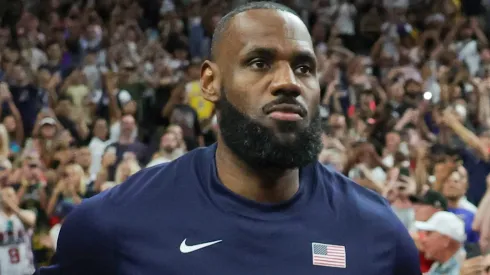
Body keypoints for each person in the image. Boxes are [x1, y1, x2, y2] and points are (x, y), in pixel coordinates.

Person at [37, 2, 420, 274]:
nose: (288, 82)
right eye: (259, 62)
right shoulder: (113, 224)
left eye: (304, 67)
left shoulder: (379, 235)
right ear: (210, 82)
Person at [0, 186, 36, 275]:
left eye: (11, 195)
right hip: (4, 270)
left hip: (26, 270)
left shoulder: (27, 213)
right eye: (6, 197)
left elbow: (30, 222)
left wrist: (12, 206)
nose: (8, 199)